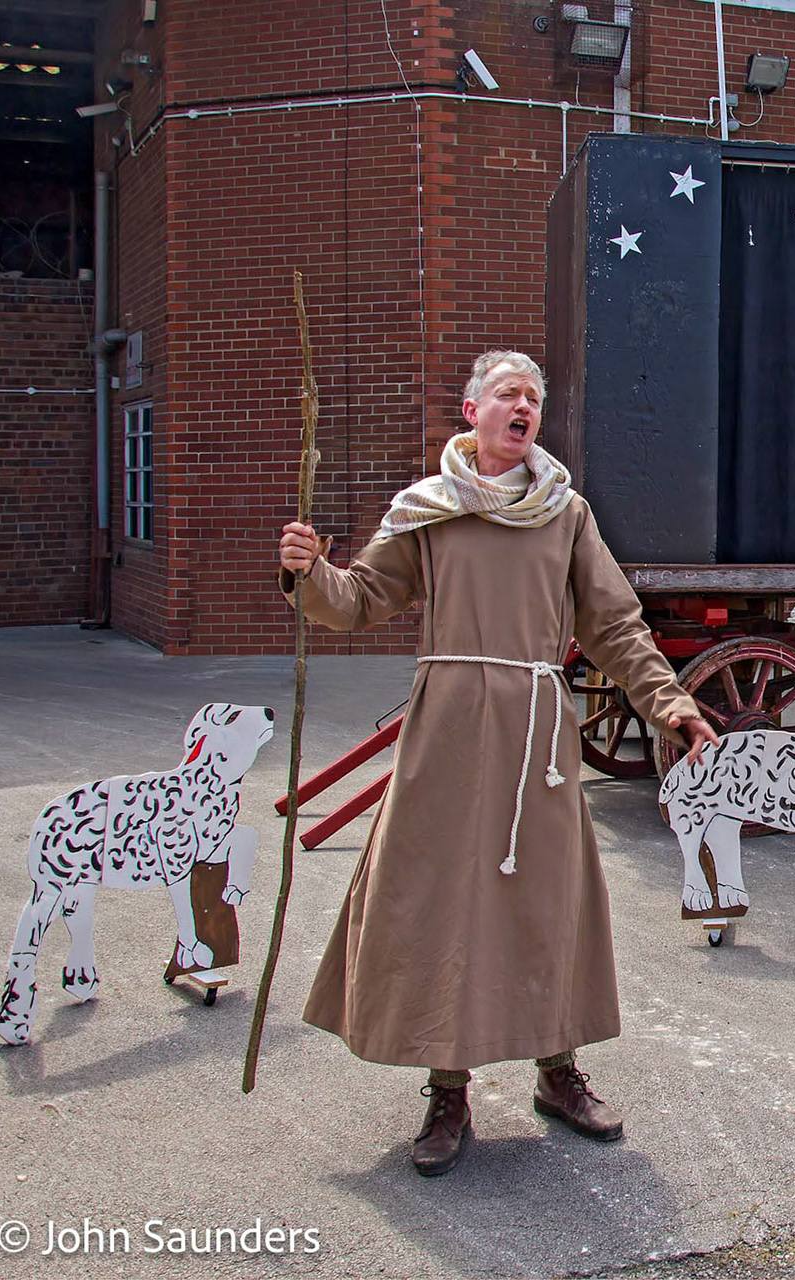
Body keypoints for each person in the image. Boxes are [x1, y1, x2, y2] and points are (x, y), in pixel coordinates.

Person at [276, 350, 716, 1176]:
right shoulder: (427, 509)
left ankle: (557, 1071)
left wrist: (670, 702)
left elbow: (614, 625)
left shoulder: (565, 513)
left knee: (545, 900)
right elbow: (360, 600)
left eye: (534, 399)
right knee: (443, 905)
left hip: (537, 739)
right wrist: (308, 573)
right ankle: (448, 1088)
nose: (524, 407)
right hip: (446, 734)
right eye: (508, 394)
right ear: (472, 410)